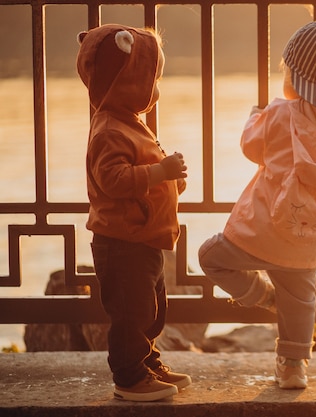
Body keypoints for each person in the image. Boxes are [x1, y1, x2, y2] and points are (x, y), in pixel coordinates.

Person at [198, 21, 316, 389]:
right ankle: (294, 368)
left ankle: (262, 296)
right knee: (302, 298)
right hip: (310, 236)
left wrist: (253, 117)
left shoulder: (280, 114)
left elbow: (251, 148)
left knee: (211, 256)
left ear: (296, 78)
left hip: (257, 232)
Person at [77, 24, 191, 402]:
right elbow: (114, 180)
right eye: (151, 79)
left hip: (142, 238)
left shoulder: (130, 122)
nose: (156, 90)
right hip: (122, 242)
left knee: (151, 309)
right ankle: (128, 378)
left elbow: (142, 174)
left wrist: (169, 183)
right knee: (131, 312)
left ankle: (147, 361)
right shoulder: (109, 128)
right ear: (126, 82)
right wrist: (161, 173)